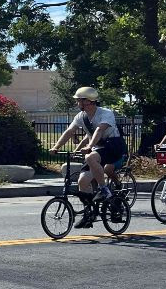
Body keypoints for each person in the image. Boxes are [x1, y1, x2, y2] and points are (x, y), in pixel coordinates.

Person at [49, 87, 126, 226]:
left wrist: (90, 146)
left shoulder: (106, 113)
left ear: (88, 101)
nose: (77, 103)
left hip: (112, 147)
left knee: (90, 158)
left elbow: (99, 130)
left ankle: (104, 190)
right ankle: (89, 213)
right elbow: (69, 131)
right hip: (98, 150)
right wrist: (56, 147)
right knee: (83, 181)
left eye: (79, 100)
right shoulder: (81, 117)